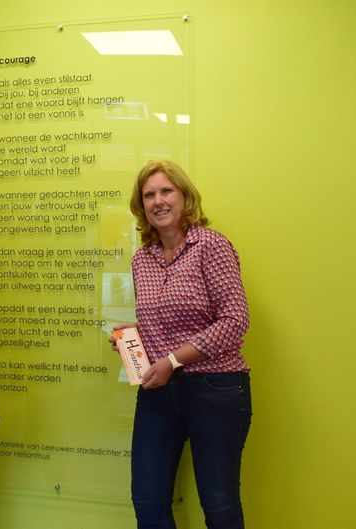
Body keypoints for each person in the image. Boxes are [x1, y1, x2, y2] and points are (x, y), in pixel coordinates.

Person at [111, 160, 252, 529]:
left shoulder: (211, 245)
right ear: (141, 207)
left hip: (215, 388)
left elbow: (235, 322)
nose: (158, 201)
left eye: (166, 191)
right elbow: (171, 321)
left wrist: (173, 360)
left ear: (184, 197)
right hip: (159, 390)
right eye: (149, 195)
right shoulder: (142, 259)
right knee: (147, 500)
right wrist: (136, 337)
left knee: (219, 505)